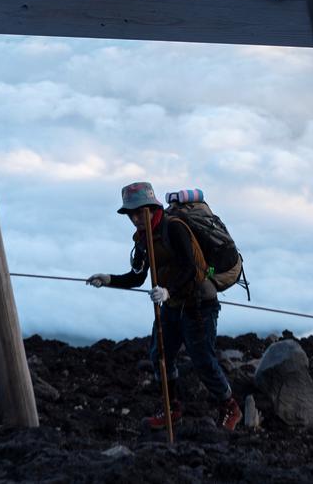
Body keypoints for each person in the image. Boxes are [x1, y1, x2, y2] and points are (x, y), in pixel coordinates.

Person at [87, 181, 242, 432]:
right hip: (171, 304)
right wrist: (108, 280)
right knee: (160, 355)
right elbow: (137, 277)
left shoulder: (175, 227)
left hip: (199, 304)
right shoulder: (143, 238)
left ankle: (230, 407)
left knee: (202, 359)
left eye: (140, 211)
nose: (136, 218)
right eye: (131, 214)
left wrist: (168, 290)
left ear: (152, 207)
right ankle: (171, 409)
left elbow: (193, 268)